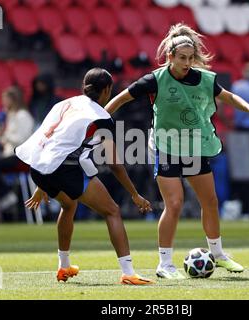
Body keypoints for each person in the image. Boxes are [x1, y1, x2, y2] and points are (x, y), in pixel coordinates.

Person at [105, 23, 249, 279]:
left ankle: (218, 254)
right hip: (166, 146)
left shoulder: (204, 79)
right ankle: (165, 264)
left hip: (194, 146)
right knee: (174, 203)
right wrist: (100, 116)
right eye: (181, 58)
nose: (186, 62)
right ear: (170, 57)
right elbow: (123, 97)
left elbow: (228, 97)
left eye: (190, 58)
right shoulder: (155, 79)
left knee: (211, 201)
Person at [16, 68, 154, 285]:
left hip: (37, 167)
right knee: (112, 211)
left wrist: (41, 183)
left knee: (69, 206)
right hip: (63, 169)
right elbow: (114, 163)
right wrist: (135, 194)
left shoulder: (65, 103)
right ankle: (128, 272)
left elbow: (50, 140)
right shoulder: (100, 117)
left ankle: (63, 266)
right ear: (107, 90)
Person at [0, 86, 34, 214]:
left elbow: (22, 138)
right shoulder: (11, 116)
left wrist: (5, 136)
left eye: (5, 100)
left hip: (20, 156)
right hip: (11, 153)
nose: (3, 103)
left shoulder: (23, 116)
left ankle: (5, 194)